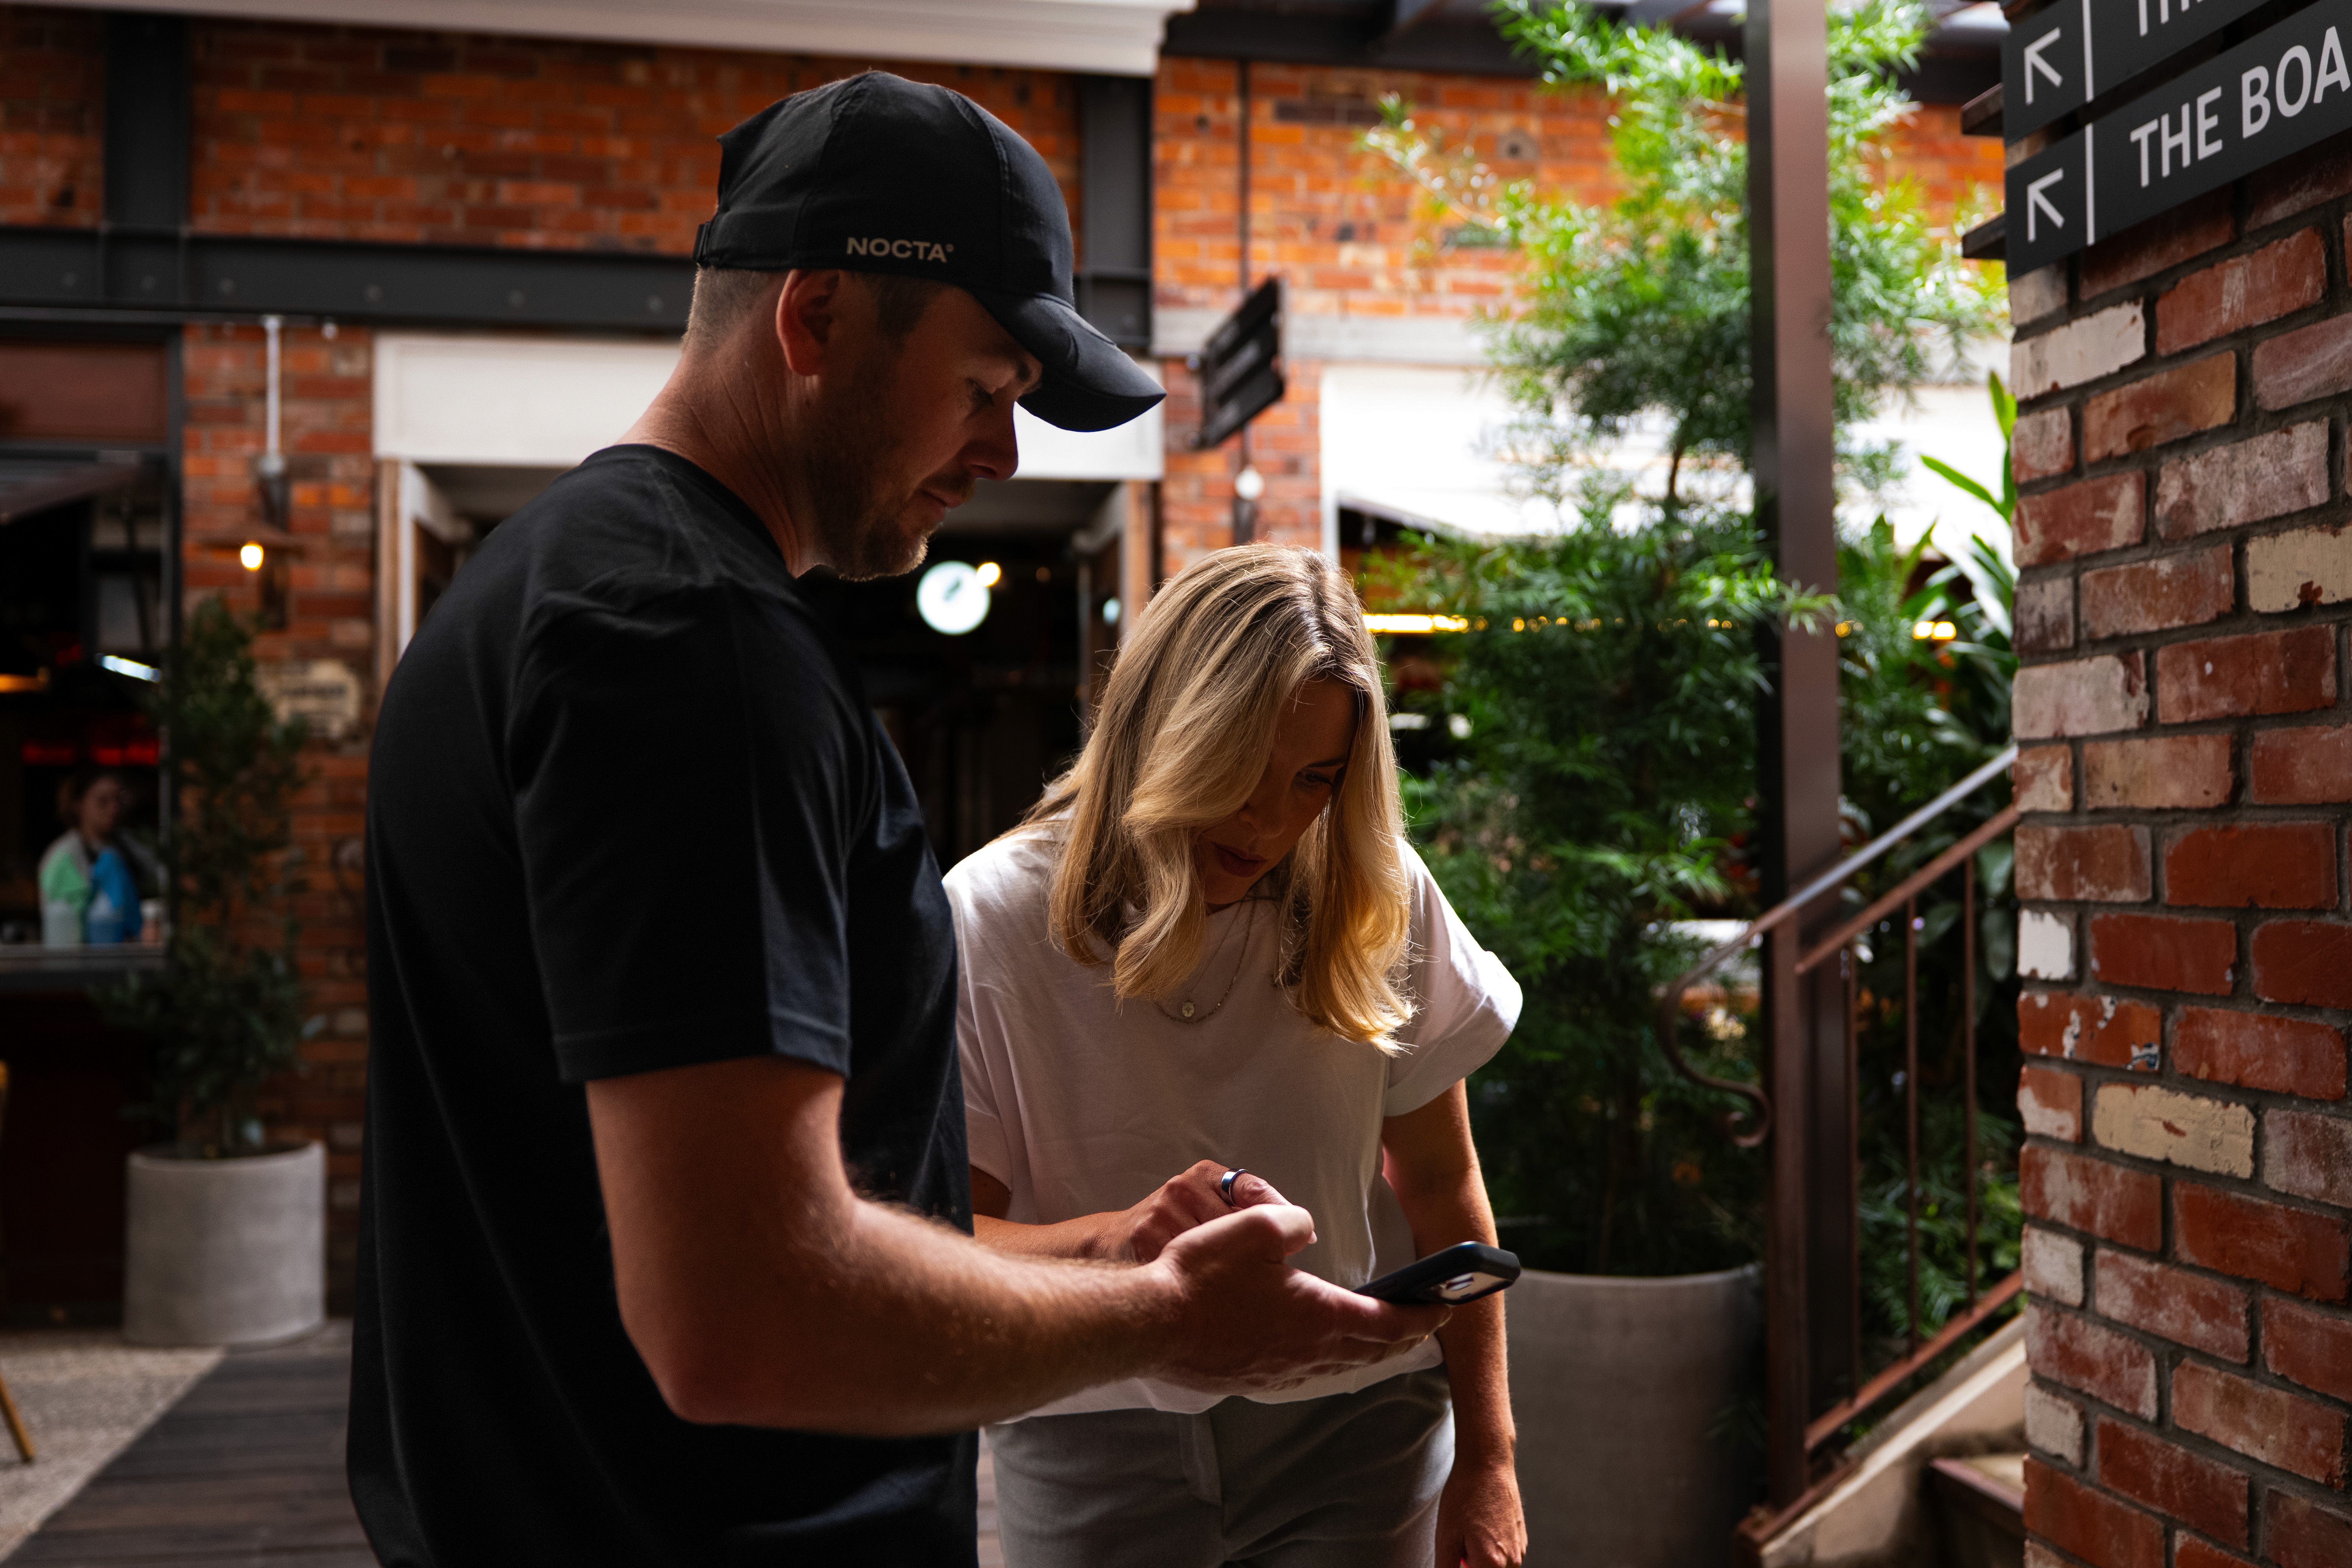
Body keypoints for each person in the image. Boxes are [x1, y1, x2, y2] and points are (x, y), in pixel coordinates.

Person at [351, 72, 1447, 1568]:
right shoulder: (690, 645)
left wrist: (1102, 1251)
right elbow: (740, 1314)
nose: (1004, 455)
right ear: (814, 320)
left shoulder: (545, 591)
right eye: (987, 387)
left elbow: (722, 1216)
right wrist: (1170, 1317)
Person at [947, 545, 1530, 1568]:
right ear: (1158, 733)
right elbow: (952, 1237)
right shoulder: (992, 917)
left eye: (1315, 780)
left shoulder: (1373, 890)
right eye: (1242, 771)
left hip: (1358, 1421)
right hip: (1089, 1422)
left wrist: (1491, 1457)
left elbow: (1443, 1184)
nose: (1271, 821)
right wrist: (1121, 1243)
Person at [39, 769, 155, 946]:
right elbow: (64, 923)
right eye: (103, 801)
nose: (114, 809)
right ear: (79, 804)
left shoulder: (131, 845)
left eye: (120, 799)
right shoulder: (64, 856)